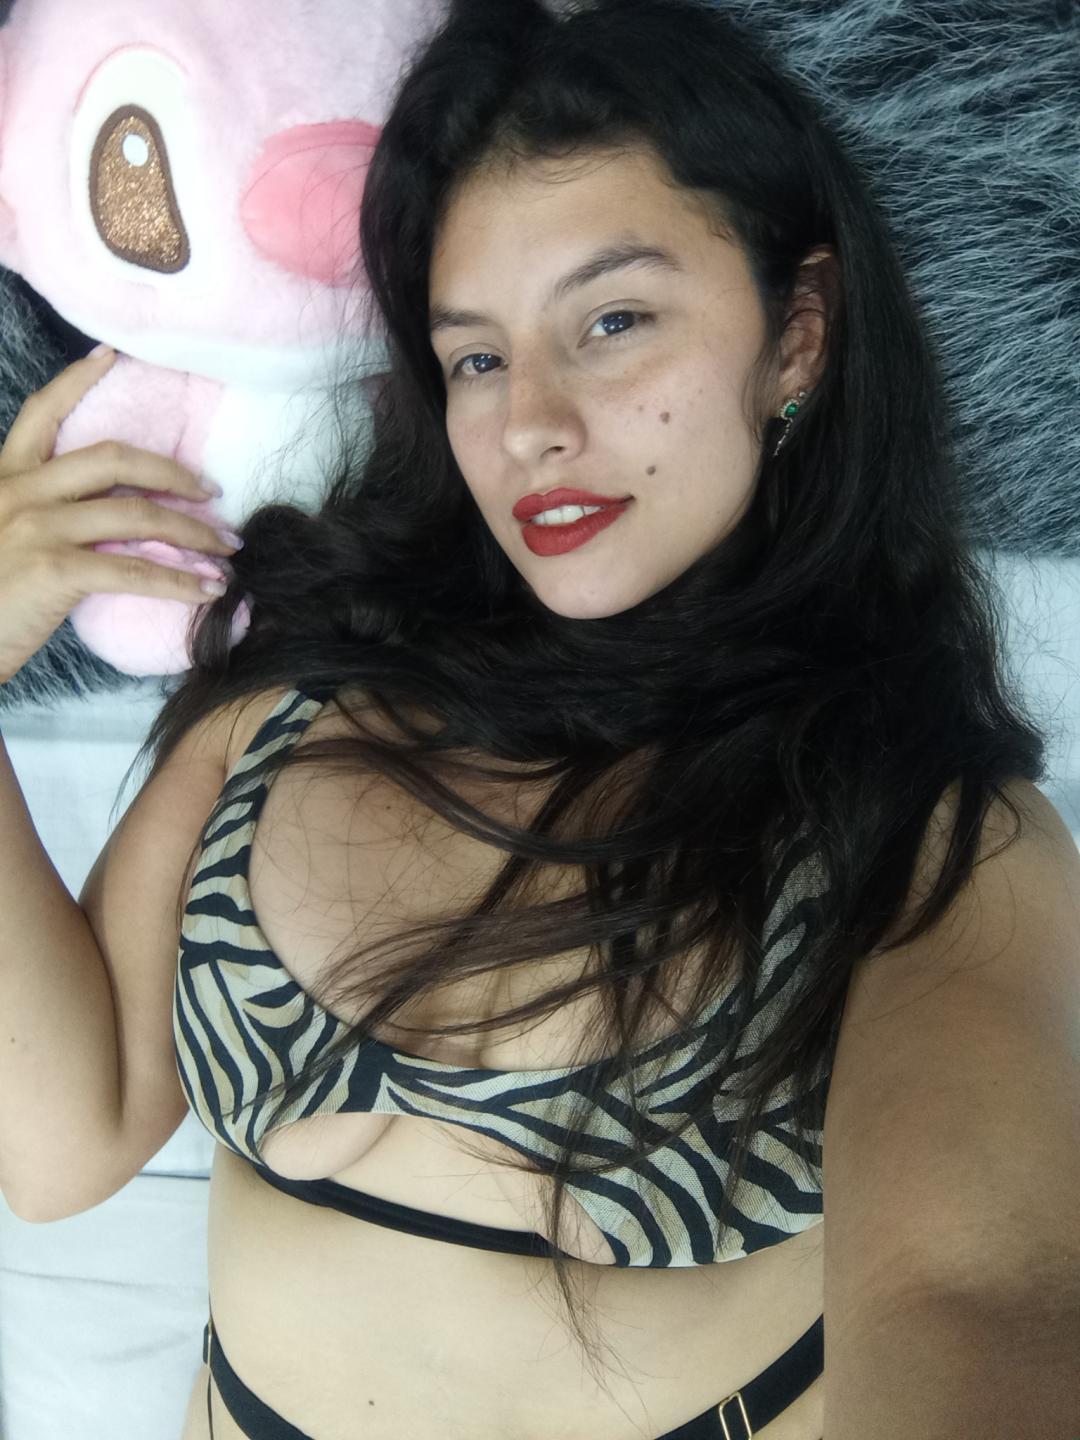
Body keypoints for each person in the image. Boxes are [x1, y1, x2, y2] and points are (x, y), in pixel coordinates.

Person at [0, 0, 1063, 1436]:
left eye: (613, 322)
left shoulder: (926, 829)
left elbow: (982, 1295)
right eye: (477, 357)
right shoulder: (293, 693)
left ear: (798, 337)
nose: (532, 426)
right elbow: (61, 1143)